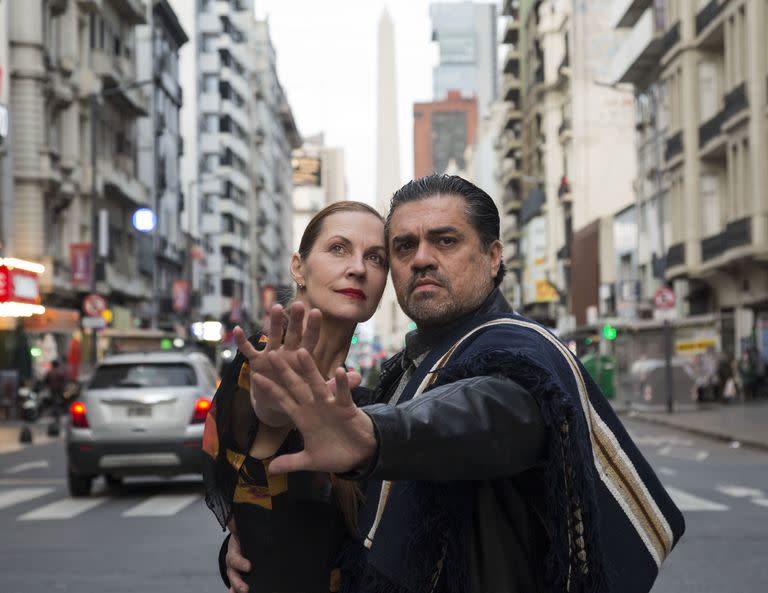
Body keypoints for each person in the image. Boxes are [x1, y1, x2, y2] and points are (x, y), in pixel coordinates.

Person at [223, 175, 685, 593]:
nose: (422, 258)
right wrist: (246, 543)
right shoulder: (404, 369)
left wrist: (375, 436)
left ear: (493, 255)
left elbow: (486, 413)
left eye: (445, 240)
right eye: (403, 247)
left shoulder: (518, 352)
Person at [203, 200, 389, 593]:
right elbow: (262, 424)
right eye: (339, 248)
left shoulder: (365, 391)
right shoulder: (265, 361)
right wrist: (274, 409)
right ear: (298, 267)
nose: (358, 267)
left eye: (376, 257)